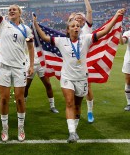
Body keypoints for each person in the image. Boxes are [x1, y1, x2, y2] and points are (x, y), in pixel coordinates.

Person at [33, 8, 125, 143]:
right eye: (72, 26)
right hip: (67, 78)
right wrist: (35, 24)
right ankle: (71, 133)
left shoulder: (86, 39)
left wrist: (116, 16)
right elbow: (44, 37)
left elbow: (104, 31)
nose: (76, 27)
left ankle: (74, 130)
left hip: (82, 78)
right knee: (69, 103)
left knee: (77, 105)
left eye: (77, 26)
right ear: (68, 30)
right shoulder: (61, 41)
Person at [0, 0, 35, 142]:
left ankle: (21, 128)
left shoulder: (26, 29)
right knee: (4, 99)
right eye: (9, 9)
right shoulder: (3, 24)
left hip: (20, 67)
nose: (11, 11)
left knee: (20, 98)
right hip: (4, 67)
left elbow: (30, 47)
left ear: (20, 13)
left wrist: (31, 65)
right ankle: (4, 129)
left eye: (14, 9)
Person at [70, 0, 95, 123]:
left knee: (88, 88)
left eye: (81, 18)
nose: (78, 19)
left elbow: (89, 11)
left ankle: (90, 112)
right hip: (73, 63)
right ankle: (76, 112)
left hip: (87, 61)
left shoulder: (87, 28)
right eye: (76, 18)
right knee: (73, 91)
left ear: (84, 21)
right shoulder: (70, 31)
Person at [24, 25, 59, 114]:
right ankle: (23, 105)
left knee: (48, 84)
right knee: (26, 86)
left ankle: (52, 106)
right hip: (31, 65)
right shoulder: (28, 38)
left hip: (42, 65)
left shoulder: (43, 38)